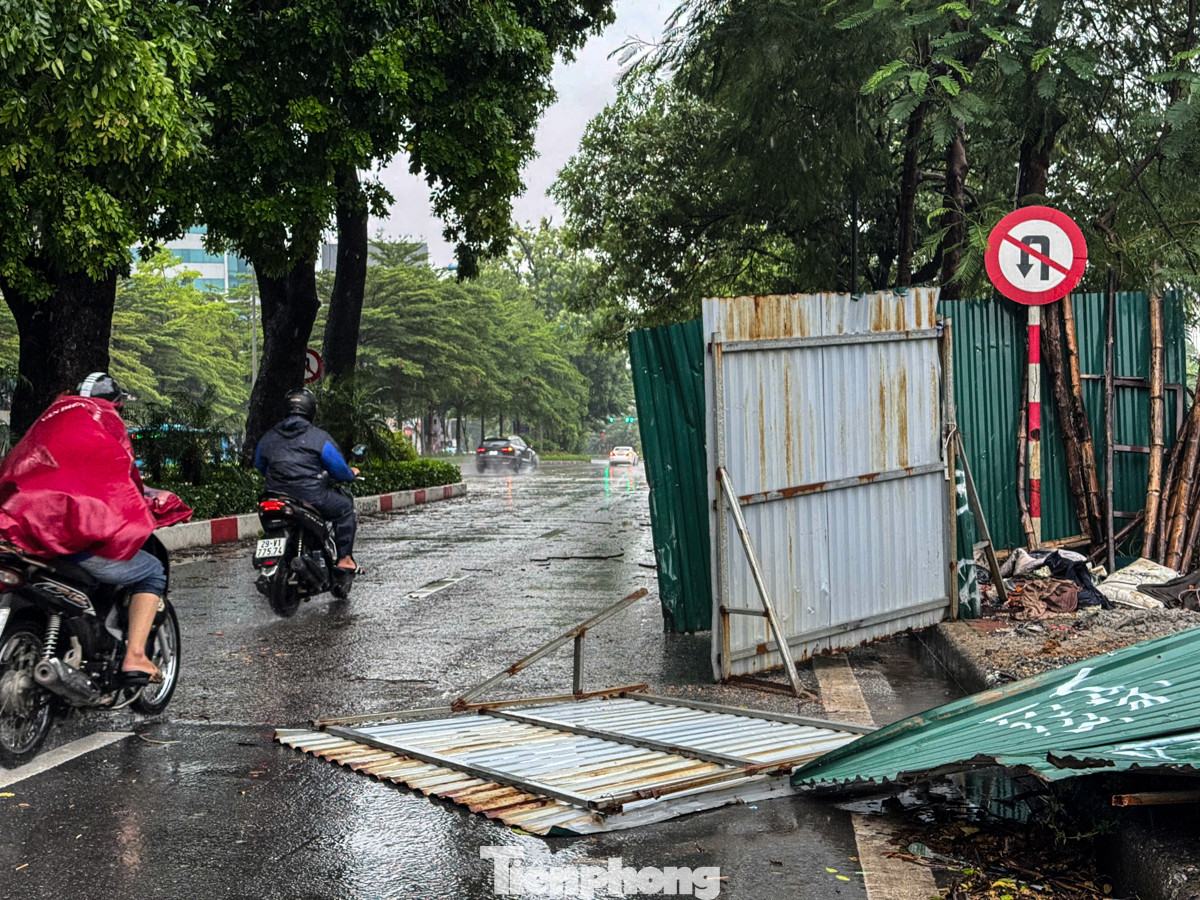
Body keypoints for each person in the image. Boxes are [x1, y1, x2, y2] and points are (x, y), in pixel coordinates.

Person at [0, 372, 192, 685]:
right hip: (66, 541)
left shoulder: (49, 418)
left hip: (16, 533)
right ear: (115, 403)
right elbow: (123, 483)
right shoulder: (107, 419)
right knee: (152, 571)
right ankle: (135, 656)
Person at [253, 389, 359, 570]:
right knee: (345, 508)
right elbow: (339, 471)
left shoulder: (268, 437)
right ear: (311, 410)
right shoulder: (319, 438)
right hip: (311, 497)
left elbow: (260, 465)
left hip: (274, 496)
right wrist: (351, 473)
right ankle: (345, 559)